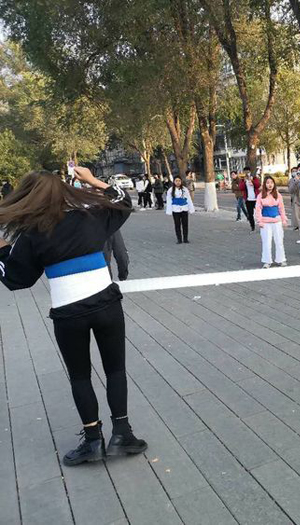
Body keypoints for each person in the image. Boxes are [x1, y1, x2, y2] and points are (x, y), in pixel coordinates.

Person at [0, 167, 147, 466]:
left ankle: (93, 441)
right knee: (115, 370)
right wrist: (92, 180)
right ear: (62, 190)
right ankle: (122, 434)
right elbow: (123, 201)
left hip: (68, 313)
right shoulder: (89, 215)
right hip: (106, 303)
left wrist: (2, 249)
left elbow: (17, 279)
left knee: (80, 376)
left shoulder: (32, 233)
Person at [254, 176, 288, 268]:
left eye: (272, 183)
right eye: (268, 183)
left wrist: (284, 219)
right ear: (264, 184)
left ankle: (281, 259)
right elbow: (258, 209)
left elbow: (281, 208)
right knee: (266, 242)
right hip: (265, 221)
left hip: (277, 221)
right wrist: (259, 221)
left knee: (279, 241)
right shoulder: (260, 195)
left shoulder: (278, 195)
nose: (270, 185)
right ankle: (267, 261)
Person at [166, 174, 195, 244]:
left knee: (185, 224)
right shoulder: (170, 190)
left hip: (184, 209)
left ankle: (185, 239)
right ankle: (179, 239)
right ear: (174, 182)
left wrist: (191, 208)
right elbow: (169, 200)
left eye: (179, 181)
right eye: (176, 181)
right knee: (177, 224)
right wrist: (169, 210)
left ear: (181, 181)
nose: (178, 182)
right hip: (175, 209)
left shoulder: (185, 189)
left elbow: (188, 199)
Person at [238, 167, 260, 232]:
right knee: (250, 214)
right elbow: (241, 188)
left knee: (259, 213)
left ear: (250, 172)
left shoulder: (254, 178)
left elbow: (258, 185)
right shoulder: (243, 180)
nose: (247, 173)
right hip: (248, 200)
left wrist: (252, 180)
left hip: (256, 199)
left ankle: (262, 225)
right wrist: (244, 181)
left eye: (248, 172)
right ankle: (252, 227)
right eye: (245, 172)